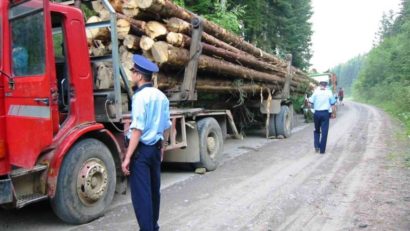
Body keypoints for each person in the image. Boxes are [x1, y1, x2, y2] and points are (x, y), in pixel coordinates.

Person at [121, 54, 171, 231]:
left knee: (141, 195)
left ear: (140, 76)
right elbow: (167, 126)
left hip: (141, 152)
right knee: (153, 191)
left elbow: (137, 130)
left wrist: (127, 158)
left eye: (133, 71)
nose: (132, 74)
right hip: (155, 150)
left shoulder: (139, 98)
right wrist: (163, 148)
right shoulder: (161, 97)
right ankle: (153, 227)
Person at [308, 81, 336, 154]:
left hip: (317, 113)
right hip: (325, 114)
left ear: (320, 85)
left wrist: (311, 109)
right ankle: (322, 150)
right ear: (326, 85)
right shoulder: (329, 92)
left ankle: (317, 146)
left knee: (317, 130)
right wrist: (333, 113)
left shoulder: (316, 92)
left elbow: (310, 103)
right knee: (324, 132)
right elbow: (333, 104)